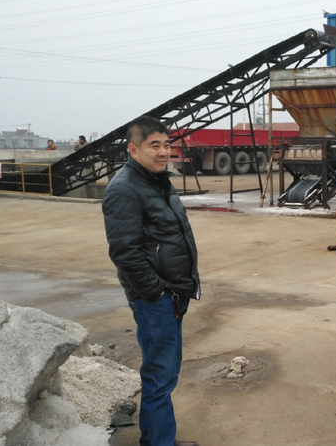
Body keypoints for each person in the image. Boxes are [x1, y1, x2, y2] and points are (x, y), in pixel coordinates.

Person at [102, 116, 201, 446]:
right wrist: (156, 293)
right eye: (154, 145)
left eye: (166, 145)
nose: (163, 152)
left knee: (166, 371)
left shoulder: (158, 181)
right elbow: (125, 252)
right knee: (159, 375)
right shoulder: (124, 189)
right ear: (133, 150)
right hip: (156, 298)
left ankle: (160, 438)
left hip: (173, 292)